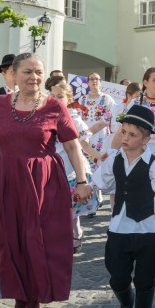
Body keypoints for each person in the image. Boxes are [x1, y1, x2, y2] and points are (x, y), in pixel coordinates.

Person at [0, 53, 93, 308]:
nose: (33, 77)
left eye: (38, 72)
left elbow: (72, 145)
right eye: (27, 71)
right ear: (13, 74)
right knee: (11, 240)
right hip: (7, 180)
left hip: (43, 182)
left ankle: (34, 300)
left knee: (36, 239)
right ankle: (19, 299)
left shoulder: (55, 106)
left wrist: (82, 181)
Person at [95, 105, 155, 308]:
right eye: (123, 132)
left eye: (132, 135)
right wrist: (89, 185)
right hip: (120, 227)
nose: (125, 138)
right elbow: (102, 182)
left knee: (145, 280)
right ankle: (125, 304)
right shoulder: (115, 159)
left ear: (146, 139)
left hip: (149, 229)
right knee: (117, 277)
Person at [50, 82, 103, 250]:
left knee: (70, 205)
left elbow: (84, 145)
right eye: (53, 96)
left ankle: (75, 232)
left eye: (60, 97)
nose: (56, 100)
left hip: (71, 167)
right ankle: (57, 234)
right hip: (51, 166)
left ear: (69, 99)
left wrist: (99, 156)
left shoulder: (74, 119)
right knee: (54, 203)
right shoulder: (46, 117)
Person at [79, 73, 118, 148]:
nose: (94, 81)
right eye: (92, 79)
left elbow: (115, 113)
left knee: (100, 153)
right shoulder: (82, 99)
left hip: (101, 135)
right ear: (88, 83)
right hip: (85, 134)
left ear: (100, 83)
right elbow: (78, 117)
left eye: (97, 79)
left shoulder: (107, 98)